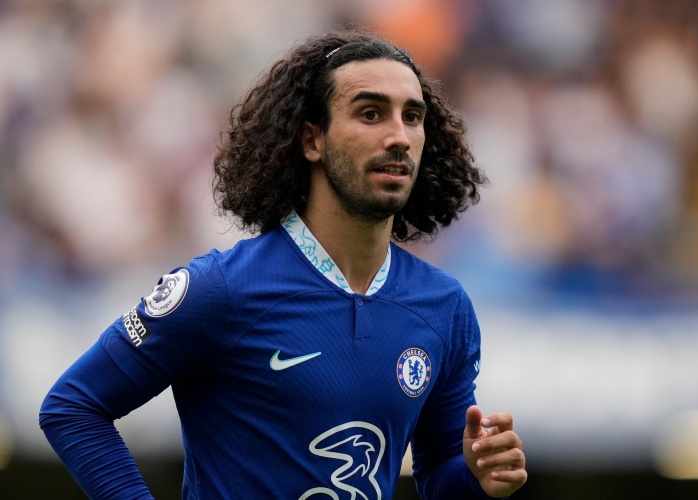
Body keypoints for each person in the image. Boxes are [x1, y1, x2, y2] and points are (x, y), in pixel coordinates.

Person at [39, 29, 527, 499]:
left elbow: (439, 473)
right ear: (312, 140)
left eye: (413, 117)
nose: (399, 136)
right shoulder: (221, 289)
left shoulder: (444, 307)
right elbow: (73, 406)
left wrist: (477, 476)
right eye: (371, 113)